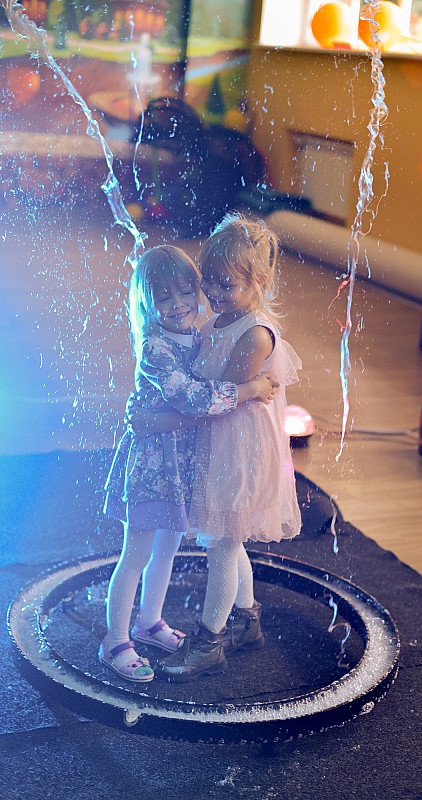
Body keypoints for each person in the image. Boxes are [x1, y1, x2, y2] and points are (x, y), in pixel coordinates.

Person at [130, 214, 302, 682]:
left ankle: (210, 644)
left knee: (223, 544)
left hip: (239, 448)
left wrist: (159, 420)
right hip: (222, 440)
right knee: (230, 535)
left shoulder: (254, 333)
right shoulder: (221, 319)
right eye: (209, 281)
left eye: (226, 285)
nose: (212, 292)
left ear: (258, 282)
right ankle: (247, 621)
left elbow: (219, 399)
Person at [100, 244, 278, 683]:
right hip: (152, 468)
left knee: (167, 549)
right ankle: (115, 640)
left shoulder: (197, 335)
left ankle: (149, 622)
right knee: (136, 554)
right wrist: (250, 390)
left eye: (186, 292)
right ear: (147, 303)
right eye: (164, 298)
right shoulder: (155, 348)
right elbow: (197, 399)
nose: (178, 305)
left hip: (181, 466)